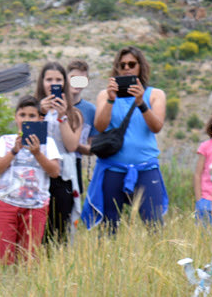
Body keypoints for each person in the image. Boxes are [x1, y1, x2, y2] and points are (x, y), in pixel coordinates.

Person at [81, 46, 168, 231]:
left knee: (154, 224)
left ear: (140, 67)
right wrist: (111, 100)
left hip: (145, 167)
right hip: (113, 167)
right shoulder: (105, 95)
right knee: (108, 226)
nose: (127, 68)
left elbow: (157, 126)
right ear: (117, 69)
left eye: (132, 64)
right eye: (122, 65)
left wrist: (141, 103)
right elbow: (100, 126)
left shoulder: (155, 94)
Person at [0, 95, 61, 264]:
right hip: (8, 203)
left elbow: (55, 172)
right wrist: (14, 150)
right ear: (15, 117)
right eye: (22, 115)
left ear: (40, 119)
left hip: (36, 206)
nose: (26, 119)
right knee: (2, 255)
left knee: (29, 257)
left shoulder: (48, 143)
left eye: (31, 116)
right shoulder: (5, 141)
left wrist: (37, 153)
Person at [34, 62, 82, 243]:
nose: (53, 83)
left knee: (59, 228)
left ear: (64, 83)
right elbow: (31, 142)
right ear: (42, 82)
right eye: (49, 79)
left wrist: (62, 117)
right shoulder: (33, 109)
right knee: (36, 228)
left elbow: (71, 146)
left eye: (58, 80)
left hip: (63, 176)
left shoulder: (73, 113)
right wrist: (40, 114)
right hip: (38, 173)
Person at [67, 59, 97, 196]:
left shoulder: (91, 110)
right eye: (73, 78)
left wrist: (73, 144)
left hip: (75, 163)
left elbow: (92, 148)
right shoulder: (53, 104)